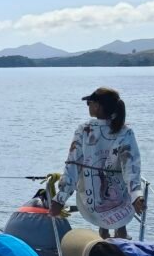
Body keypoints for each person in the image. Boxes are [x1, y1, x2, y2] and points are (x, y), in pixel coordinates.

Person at [50, 87, 144, 239]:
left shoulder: (84, 130)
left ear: (98, 106)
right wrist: (136, 195)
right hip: (120, 192)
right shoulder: (125, 132)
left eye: (89, 103)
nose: (88, 105)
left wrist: (60, 198)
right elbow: (131, 167)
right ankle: (122, 246)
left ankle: (104, 240)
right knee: (119, 223)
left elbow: (73, 164)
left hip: (91, 192)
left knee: (101, 203)